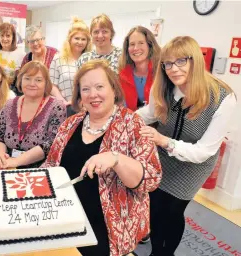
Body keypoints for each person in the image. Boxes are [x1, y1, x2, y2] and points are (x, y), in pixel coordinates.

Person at [42, 59, 162, 256]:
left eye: (99, 86)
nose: (93, 94)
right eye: (86, 89)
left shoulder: (133, 124)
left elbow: (150, 179)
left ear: (114, 90)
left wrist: (117, 159)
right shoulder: (70, 123)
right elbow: (51, 164)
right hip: (64, 217)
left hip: (107, 228)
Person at [136, 36, 237, 256]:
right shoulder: (164, 87)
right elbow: (150, 113)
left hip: (194, 164)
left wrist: (163, 140)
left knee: (173, 210)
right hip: (161, 157)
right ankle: (155, 251)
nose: (173, 69)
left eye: (181, 61)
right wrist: (124, 119)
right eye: (168, 63)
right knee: (154, 206)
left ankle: (165, 253)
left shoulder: (222, 98)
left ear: (195, 61)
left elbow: (204, 151)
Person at [0, 61, 67, 169]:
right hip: (7, 166)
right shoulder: (10, 104)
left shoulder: (56, 107)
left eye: (38, 80)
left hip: (39, 170)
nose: (32, 83)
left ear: (46, 83)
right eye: (27, 78)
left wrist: (16, 161)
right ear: (20, 80)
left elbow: (51, 145)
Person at [49, 17, 92, 105]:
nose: (80, 42)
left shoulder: (90, 60)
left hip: (87, 106)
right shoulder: (58, 58)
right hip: (65, 106)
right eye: (77, 38)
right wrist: (63, 102)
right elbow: (52, 85)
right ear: (69, 39)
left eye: (83, 39)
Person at [119, 26, 161, 111]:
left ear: (150, 45)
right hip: (130, 122)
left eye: (141, 43)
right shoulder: (122, 76)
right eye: (132, 44)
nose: (136, 48)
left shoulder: (161, 72)